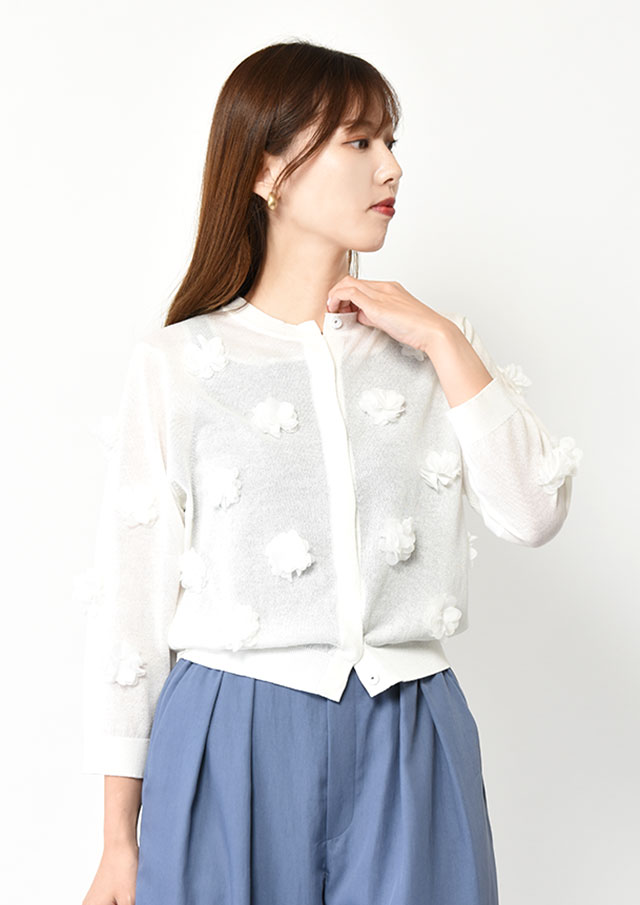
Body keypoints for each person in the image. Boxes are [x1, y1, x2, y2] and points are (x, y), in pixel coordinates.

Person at [78, 39, 582, 905]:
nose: (392, 167)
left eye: (391, 140)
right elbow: (133, 607)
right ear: (267, 169)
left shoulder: (432, 349)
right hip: (230, 734)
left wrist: (442, 338)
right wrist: (117, 842)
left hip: (410, 730)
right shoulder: (178, 364)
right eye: (359, 141)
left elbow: (534, 510)